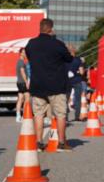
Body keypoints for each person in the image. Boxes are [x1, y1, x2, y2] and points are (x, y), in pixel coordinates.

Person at [24, 18, 73, 152]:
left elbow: (28, 56)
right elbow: (68, 59)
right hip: (56, 86)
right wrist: (70, 52)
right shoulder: (58, 44)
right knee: (60, 114)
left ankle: (39, 142)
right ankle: (62, 143)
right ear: (51, 29)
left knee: (39, 115)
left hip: (38, 85)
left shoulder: (31, 44)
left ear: (40, 28)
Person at [66, 46, 86, 123]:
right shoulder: (78, 60)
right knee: (78, 99)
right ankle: (77, 117)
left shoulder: (64, 60)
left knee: (65, 100)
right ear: (74, 51)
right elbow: (82, 72)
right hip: (77, 80)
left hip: (67, 81)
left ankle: (66, 118)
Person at [16, 47, 31, 121]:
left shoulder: (19, 61)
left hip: (19, 82)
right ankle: (24, 115)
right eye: (24, 52)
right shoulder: (21, 62)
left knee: (20, 99)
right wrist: (26, 82)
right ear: (21, 53)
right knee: (27, 98)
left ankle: (18, 116)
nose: (25, 54)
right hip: (22, 82)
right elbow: (22, 72)